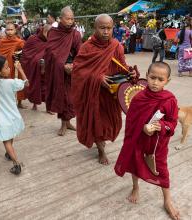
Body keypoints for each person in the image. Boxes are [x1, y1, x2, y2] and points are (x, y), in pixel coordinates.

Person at [114, 62, 180, 220]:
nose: (155, 82)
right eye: (152, 77)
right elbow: (131, 120)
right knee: (135, 163)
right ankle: (135, 187)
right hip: (138, 141)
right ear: (147, 76)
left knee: (162, 171)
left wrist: (161, 126)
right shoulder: (139, 98)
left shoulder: (169, 100)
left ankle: (167, 200)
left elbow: (173, 123)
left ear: (167, 81)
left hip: (157, 145)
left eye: (160, 79)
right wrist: (143, 127)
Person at [72, 14, 137, 165]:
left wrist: (130, 72)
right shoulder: (86, 47)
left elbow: (122, 66)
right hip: (94, 94)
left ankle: (102, 143)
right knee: (97, 123)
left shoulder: (116, 46)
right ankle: (101, 149)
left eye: (109, 28)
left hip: (112, 93)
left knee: (110, 122)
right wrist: (97, 77)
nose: (106, 32)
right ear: (95, 28)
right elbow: (78, 71)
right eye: (102, 28)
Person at [43, 6, 81, 136]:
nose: (70, 21)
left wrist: (74, 65)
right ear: (61, 18)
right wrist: (62, 64)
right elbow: (50, 52)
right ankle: (63, 124)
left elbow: (79, 53)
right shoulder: (54, 32)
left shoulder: (75, 34)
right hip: (58, 71)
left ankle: (68, 122)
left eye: (72, 19)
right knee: (62, 97)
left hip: (71, 71)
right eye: (67, 18)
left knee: (70, 99)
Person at [21, 24, 52, 110]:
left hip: (46, 69)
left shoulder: (52, 41)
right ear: (43, 31)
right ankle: (35, 104)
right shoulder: (33, 39)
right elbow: (26, 53)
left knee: (46, 88)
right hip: (33, 68)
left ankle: (48, 107)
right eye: (47, 33)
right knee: (35, 86)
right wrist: (37, 61)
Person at [0, 23, 26, 108]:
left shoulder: (19, 41)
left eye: (11, 29)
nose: (9, 32)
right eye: (8, 30)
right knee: (6, 84)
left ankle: (19, 102)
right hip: (5, 66)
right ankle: (8, 102)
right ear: (5, 31)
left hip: (16, 65)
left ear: (15, 30)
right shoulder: (2, 41)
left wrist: (17, 55)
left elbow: (25, 51)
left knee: (19, 82)